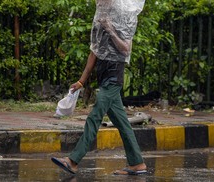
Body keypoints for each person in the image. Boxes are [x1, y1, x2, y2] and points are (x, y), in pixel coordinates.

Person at [51, 0, 147, 175]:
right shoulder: (101, 20)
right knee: (123, 124)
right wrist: (81, 81)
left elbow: (126, 49)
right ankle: (137, 163)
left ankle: (73, 161)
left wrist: (111, 30)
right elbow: (94, 51)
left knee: (94, 116)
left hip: (113, 79)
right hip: (104, 78)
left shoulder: (124, 20)